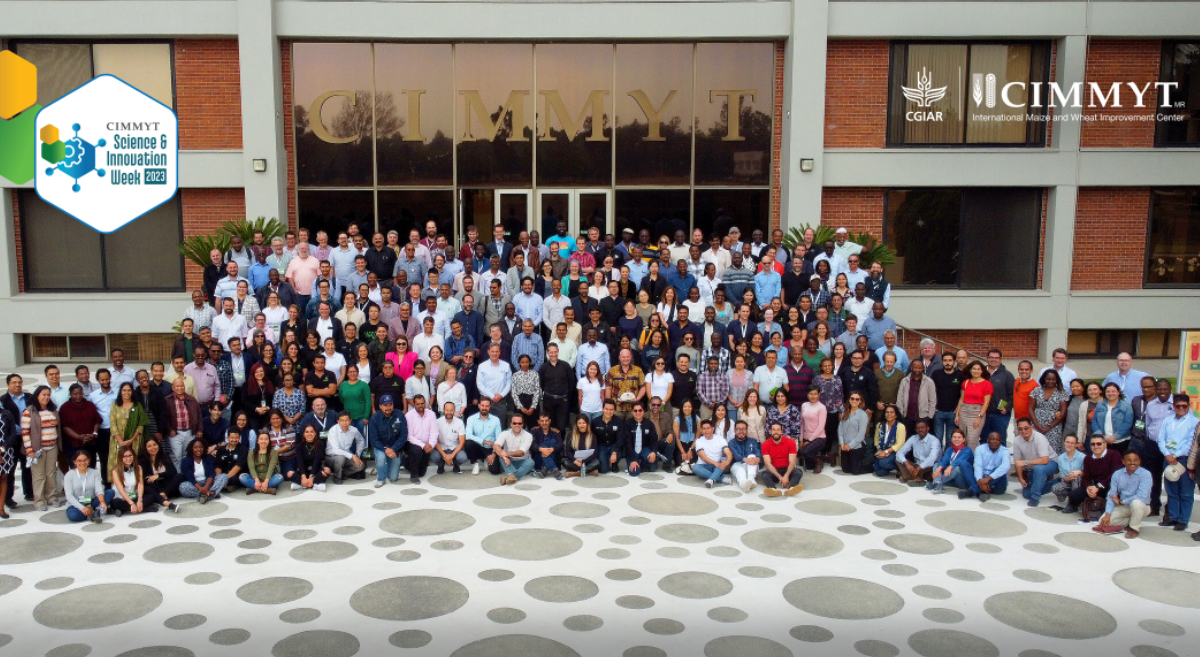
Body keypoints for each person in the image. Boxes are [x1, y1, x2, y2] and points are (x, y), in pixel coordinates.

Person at [1157, 393, 1198, 532]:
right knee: (1171, 490)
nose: (1181, 408)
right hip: (1168, 458)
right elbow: (1160, 438)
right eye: (1177, 406)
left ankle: (1183, 519)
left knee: (1186, 492)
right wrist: (1167, 454)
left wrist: (1175, 455)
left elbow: (1191, 443)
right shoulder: (1168, 420)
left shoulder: (1194, 422)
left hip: (1184, 460)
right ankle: (1172, 517)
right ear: (1173, 406)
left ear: (1189, 406)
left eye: (1184, 406)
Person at [1093, 451, 1153, 539]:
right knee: (1102, 522)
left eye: (1135, 460)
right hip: (1125, 507)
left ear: (1139, 461)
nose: (1132, 463)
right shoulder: (1117, 474)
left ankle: (1134, 528)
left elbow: (1142, 496)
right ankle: (1133, 519)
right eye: (1129, 460)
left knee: (1136, 503)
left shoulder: (1146, 474)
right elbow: (1111, 496)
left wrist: (1122, 501)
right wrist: (1107, 515)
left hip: (1142, 506)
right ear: (1123, 461)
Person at [20, 386, 61, 511]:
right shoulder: (29, 411)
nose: (46, 397)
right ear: (37, 396)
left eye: (48, 395)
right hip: (37, 449)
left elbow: (57, 427)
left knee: (51, 473)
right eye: (43, 395)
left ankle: (51, 496)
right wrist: (29, 450)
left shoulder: (53, 409)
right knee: (39, 475)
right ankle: (39, 500)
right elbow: (25, 432)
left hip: (52, 447)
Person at [1012, 418, 1057, 507]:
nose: (1023, 431)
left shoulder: (1039, 438)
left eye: (1026, 428)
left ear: (1031, 427)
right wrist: (1020, 478)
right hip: (1033, 467)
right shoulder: (1017, 441)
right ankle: (1055, 483)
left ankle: (1035, 498)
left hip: (1051, 463)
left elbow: (1045, 460)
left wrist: (1024, 463)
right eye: (1020, 429)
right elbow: (1017, 462)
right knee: (1026, 494)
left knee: (1039, 468)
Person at [64, 450, 113, 523]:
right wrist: (82, 508)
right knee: (73, 516)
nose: (82, 463)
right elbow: (69, 496)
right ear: (75, 462)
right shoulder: (69, 475)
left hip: (91, 501)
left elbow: (99, 489)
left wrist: (102, 502)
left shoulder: (94, 473)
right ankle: (96, 513)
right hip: (76, 504)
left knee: (110, 492)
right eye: (79, 461)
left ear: (89, 460)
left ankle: (94, 512)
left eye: (85, 460)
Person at [962, 432, 1011, 502]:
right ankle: (981, 492)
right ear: (988, 440)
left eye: (997, 440)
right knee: (965, 464)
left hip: (997, 484)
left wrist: (988, 479)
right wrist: (980, 480)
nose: (995, 441)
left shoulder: (1005, 451)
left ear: (1000, 442)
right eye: (993, 439)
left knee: (1000, 469)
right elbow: (978, 465)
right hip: (982, 478)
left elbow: (1006, 466)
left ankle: (974, 490)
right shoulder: (980, 449)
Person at [956, 360, 992, 449]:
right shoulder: (966, 382)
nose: (976, 371)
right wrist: (957, 414)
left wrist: (980, 417)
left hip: (977, 412)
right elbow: (961, 399)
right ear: (970, 370)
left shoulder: (987, 384)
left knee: (972, 439)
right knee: (962, 439)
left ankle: (973, 461)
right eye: (974, 369)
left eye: (978, 369)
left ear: (982, 371)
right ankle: (963, 461)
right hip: (964, 411)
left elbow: (986, 403)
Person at [140, 437, 182, 510]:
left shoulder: (164, 456)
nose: (153, 448)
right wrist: (154, 478)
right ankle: (164, 500)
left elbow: (173, 471)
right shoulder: (142, 460)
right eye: (149, 446)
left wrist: (158, 475)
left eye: (154, 445)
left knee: (179, 476)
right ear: (145, 449)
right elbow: (146, 478)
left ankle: (163, 494)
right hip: (154, 485)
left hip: (166, 486)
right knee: (148, 486)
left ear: (158, 445)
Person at [402, 395, 437, 484]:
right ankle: (413, 475)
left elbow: (434, 432)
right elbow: (409, 436)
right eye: (418, 404)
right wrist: (423, 445)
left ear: (425, 403)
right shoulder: (409, 415)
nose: (420, 406)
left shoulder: (431, 414)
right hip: (413, 444)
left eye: (422, 403)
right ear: (414, 404)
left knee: (422, 473)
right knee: (417, 451)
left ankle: (407, 462)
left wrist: (431, 445)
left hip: (427, 446)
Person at [180, 438, 227, 504]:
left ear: (204, 448)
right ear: (191, 449)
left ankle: (204, 495)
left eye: (201, 447)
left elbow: (211, 474)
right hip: (195, 485)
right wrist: (203, 489)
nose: (198, 449)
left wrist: (206, 488)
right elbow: (190, 478)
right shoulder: (186, 461)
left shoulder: (208, 458)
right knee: (183, 487)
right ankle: (211, 494)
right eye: (195, 447)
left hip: (208, 483)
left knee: (224, 476)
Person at [325, 411, 366, 484]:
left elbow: (360, 440)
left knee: (361, 466)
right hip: (332, 456)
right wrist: (352, 456)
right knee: (341, 458)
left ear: (350, 421)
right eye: (342, 420)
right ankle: (337, 477)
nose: (344, 423)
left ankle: (343, 473)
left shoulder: (353, 430)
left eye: (346, 420)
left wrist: (357, 455)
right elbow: (336, 450)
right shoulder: (333, 430)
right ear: (338, 421)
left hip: (347, 456)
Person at [1093, 382, 1134, 455]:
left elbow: (1128, 423)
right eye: (1108, 391)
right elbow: (1094, 421)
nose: (1110, 393)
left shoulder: (1126, 406)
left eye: (1113, 391)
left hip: (1121, 441)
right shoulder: (1100, 405)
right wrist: (1100, 435)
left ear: (1118, 392)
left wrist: (1116, 436)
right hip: (1103, 440)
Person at [928, 429, 973, 494]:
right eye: (954, 437)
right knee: (937, 465)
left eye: (959, 437)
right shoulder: (949, 449)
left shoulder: (967, 450)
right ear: (951, 439)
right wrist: (938, 469)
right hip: (950, 478)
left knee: (957, 468)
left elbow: (959, 461)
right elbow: (944, 460)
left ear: (964, 439)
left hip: (961, 480)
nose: (956, 439)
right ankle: (937, 483)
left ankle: (937, 483)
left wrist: (949, 467)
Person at [492, 416, 535, 484]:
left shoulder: (528, 435)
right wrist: (503, 455)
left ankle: (510, 477)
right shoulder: (505, 433)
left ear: (522, 425)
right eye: (514, 423)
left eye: (519, 423)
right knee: (501, 457)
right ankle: (513, 476)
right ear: (511, 424)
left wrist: (507, 454)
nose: (517, 425)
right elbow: (496, 445)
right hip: (508, 462)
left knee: (531, 462)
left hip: (522, 462)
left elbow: (521, 453)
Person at [693, 419, 732, 489]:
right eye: (704, 429)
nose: (706, 430)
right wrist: (714, 463)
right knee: (695, 468)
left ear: (712, 429)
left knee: (724, 459)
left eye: (708, 428)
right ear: (701, 430)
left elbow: (729, 453)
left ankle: (711, 480)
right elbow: (703, 457)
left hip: (718, 467)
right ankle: (720, 478)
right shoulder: (699, 441)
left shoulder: (720, 439)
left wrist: (727, 462)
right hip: (704, 466)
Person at [870, 405, 907, 478]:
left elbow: (899, 444)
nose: (889, 414)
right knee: (879, 471)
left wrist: (886, 452)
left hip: (895, 452)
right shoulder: (880, 425)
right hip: (882, 450)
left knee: (883, 463)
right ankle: (887, 466)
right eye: (887, 412)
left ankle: (900, 468)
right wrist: (879, 451)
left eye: (891, 412)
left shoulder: (900, 426)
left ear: (896, 415)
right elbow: (876, 438)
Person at [433, 401, 468, 475]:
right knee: (434, 456)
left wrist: (451, 456)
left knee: (463, 457)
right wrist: (445, 456)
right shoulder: (437, 422)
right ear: (443, 411)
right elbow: (434, 441)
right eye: (447, 410)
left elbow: (462, 442)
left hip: (455, 449)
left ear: (454, 411)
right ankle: (441, 464)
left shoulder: (459, 422)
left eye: (451, 410)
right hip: (441, 448)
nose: (449, 412)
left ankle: (456, 464)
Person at [1050, 434, 1086, 506]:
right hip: (1068, 482)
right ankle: (1069, 495)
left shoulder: (1082, 457)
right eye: (1067, 442)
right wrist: (1068, 478)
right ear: (1064, 442)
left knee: (1076, 478)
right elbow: (1063, 476)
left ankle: (1073, 502)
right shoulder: (1060, 458)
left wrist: (1079, 472)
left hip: (1080, 483)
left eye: (1072, 443)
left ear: (1076, 444)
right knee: (1054, 488)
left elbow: (1088, 473)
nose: (1069, 445)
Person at [839, 393, 870, 475]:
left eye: (857, 399)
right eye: (852, 398)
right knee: (845, 469)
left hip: (857, 446)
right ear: (849, 400)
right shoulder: (845, 412)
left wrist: (850, 446)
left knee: (855, 471)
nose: (854, 401)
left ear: (860, 401)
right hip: (845, 446)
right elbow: (840, 429)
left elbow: (861, 434)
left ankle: (870, 466)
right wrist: (842, 443)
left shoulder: (863, 415)